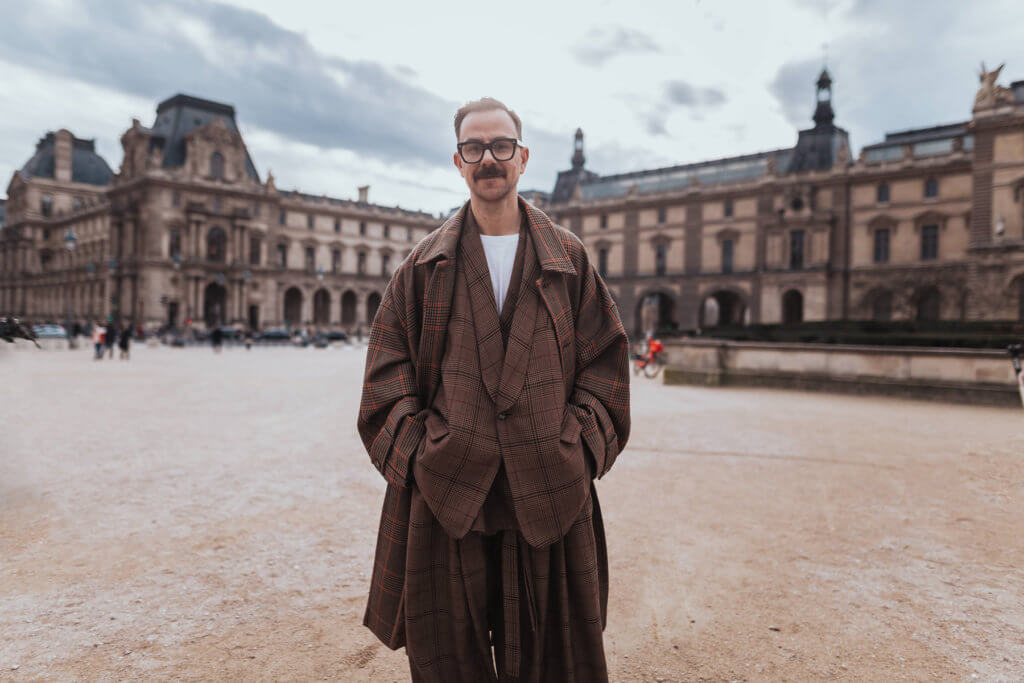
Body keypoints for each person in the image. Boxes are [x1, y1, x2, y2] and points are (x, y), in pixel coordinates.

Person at [358, 97, 630, 682]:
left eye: (500, 146)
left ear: (523, 157)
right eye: (474, 148)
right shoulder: (420, 265)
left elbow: (606, 365)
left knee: (555, 661)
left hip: (549, 484)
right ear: (458, 162)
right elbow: (385, 376)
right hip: (448, 487)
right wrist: (420, 455)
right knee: (448, 660)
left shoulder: (571, 260)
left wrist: (578, 449)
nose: (488, 158)